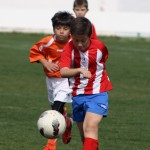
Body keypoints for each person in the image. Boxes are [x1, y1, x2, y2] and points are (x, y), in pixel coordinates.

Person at [60, 17, 112, 150]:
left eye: (83, 40)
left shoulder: (100, 47)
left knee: (90, 128)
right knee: (85, 136)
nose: (79, 44)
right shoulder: (69, 48)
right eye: (76, 40)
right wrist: (78, 70)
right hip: (78, 94)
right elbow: (63, 72)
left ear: (90, 36)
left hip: (98, 92)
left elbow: (103, 61)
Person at [29, 11, 74, 150]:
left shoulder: (73, 42)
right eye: (58, 28)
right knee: (56, 108)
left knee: (55, 110)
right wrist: (45, 63)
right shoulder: (47, 41)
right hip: (50, 80)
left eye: (65, 29)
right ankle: (67, 124)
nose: (61, 32)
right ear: (53, 28)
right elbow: (35, 51)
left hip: (66, 81)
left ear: (70, 30)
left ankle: (51, 145)